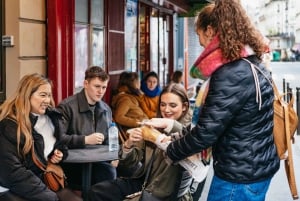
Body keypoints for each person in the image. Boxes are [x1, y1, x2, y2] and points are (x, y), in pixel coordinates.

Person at [143, 1, 280, 201]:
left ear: (210, 31)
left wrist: (169, 148)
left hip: (237, 178)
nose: (200, 43)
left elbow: (205, 133)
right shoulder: (252, 62)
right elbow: (219, 121)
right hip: (255, 168)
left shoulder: (230, 73)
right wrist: (172, 126)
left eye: (199, 35)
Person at [88, 83, 194, 201]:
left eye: (173, 105)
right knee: (97, 191)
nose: (166, 110)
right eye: (163, 105)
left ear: (184, 106)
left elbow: (187, 139)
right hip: (145, 182)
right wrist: (128, 145)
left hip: (166, 193)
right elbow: (129, 163)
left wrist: (169, 125)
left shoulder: (192, 130)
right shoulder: (152, 126)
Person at [0, 73, 82, 201]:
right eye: (43, 95)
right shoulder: (9, 125)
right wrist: (47, 195)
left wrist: (59, 154)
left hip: (42, 182)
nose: (48, 100)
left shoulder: (53, 118)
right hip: (11, 188)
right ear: (27, 95)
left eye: (49, 95)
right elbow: (11, 172)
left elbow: (60, 144)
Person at [57, 66, 117, 190]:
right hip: (73, 163)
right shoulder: (67, 107)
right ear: (85, 84)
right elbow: (58, 139)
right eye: (97, 86)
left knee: (131, 170)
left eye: (104, 87)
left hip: (98, 161)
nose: (100, 91)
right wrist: (85, 140)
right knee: (107, 175)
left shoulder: (106, 109)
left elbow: (109, 139)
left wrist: (115, 157)